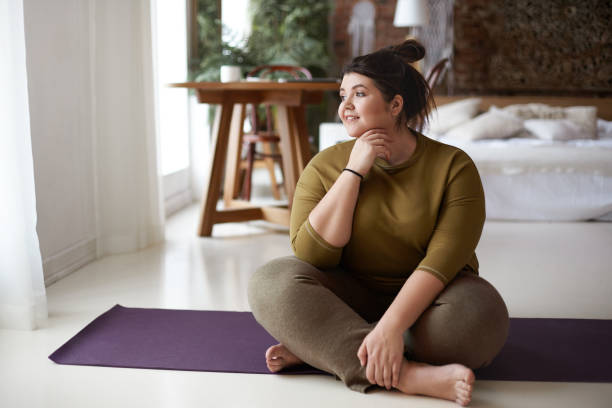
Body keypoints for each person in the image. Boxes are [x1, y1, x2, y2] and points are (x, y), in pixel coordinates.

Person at [248, 40, 509, 406]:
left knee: (479, 319)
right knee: (270, 282)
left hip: (431, 303)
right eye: (342, 95)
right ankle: (406, 374)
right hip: (350, 293)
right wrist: (354, 170)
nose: (345, 107)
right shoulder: (325, 165)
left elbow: (441, 263)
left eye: (358, 94)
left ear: (395, 104)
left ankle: (327, 349)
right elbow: (311, 255)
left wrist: (390, 327)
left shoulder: (454, 168)